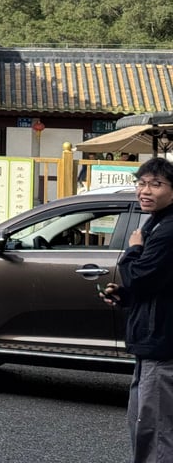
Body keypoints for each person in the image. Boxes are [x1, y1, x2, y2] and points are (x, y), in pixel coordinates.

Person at [100, 157, 173, 461]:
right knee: (146, 424)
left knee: (155, 431)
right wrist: (126, 296)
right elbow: (158, 284)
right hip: (152, 341)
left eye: (156, 184)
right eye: (141, 183)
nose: (145, 191)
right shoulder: (157, 221)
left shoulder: (167, 229)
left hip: (162, 345)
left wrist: (133, 249)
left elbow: (141, 276)